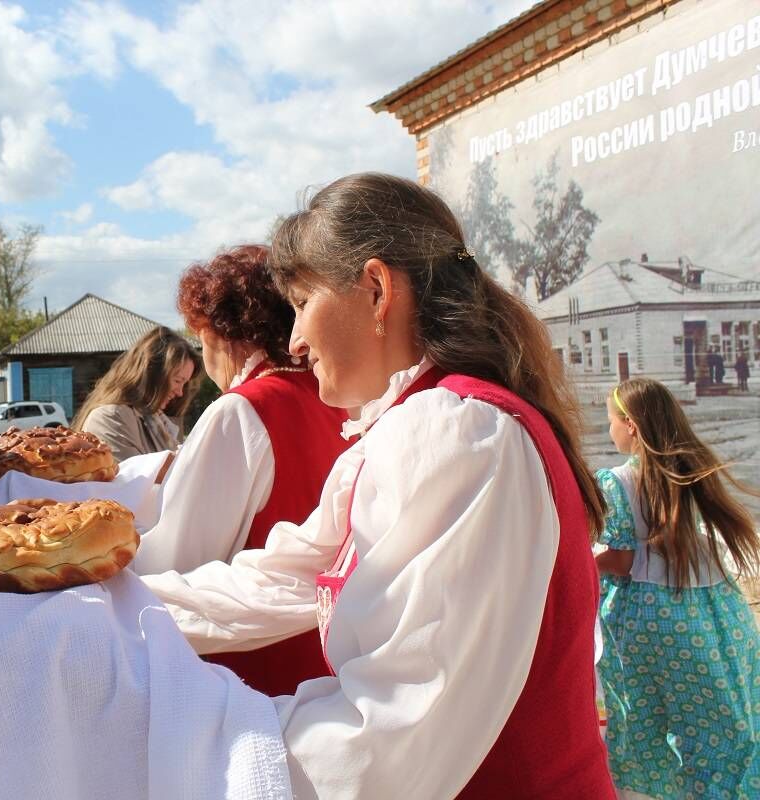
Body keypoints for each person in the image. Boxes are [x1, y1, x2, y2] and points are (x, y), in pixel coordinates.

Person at [141, 173, 615, 798]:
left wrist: (192, 737)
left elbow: (388, 737)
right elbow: (287, 577)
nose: (294, 340)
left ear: (374, 288)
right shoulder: (424, 422)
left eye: (304, 302)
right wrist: (111, 613)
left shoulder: (456, 431)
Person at [132, 244, 349, 695]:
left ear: (219, 333)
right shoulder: (335, 398)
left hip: (248, 672)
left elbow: (178, 558)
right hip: (327, 655)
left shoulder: (240, 411)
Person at [596, 377, 760, 798]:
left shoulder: (617, 481)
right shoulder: (692, 471)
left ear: (630, 425)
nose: (607, 430)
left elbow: (623, 558)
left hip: (647, 619)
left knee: (642, 720)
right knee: (717, 723)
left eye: (610, 421)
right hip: (715, 611)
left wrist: (583, 559)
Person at [73, 326, 201, 462]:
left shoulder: (160, 421)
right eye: (177, 380)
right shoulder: (110, 417)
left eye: (184, 383)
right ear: (152, 372)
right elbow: (137, 478)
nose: (180, 392)